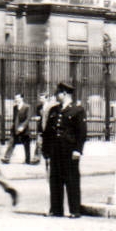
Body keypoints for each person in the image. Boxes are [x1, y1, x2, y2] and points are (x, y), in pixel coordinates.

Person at [41, 81, 87, 218]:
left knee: (71, 180)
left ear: (65, 94)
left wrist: (78, 150)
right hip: (55, 150)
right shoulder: (54, 110)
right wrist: (46, 150)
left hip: (69, 150)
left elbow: (81, 132)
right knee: (55, 180)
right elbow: (48, 132)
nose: (55, 95)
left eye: (57, 93)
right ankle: (56, 209)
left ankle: (74, 210)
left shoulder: (77, 110)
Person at [2, 92, 34, 164]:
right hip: (15, 128)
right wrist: (13, 127)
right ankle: (7, 158)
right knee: (11, 142)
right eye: (15, 98)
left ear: (22, 98)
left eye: (18, 98)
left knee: (26, 144)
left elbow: (28, 118)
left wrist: (22, 126)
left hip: (24, 129)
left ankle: (27, 159)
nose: (16, 99)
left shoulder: (27, 107)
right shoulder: (15, 107)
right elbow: (15, 118)